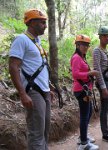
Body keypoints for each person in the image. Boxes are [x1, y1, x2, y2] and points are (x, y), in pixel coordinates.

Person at [9, 9, 51, 150]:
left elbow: (38, 68)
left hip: (43, 91)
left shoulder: (36, 42)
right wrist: (22, 94)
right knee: (36, 134)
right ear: (32, 22)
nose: (45, 25)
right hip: (33, 92)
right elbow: (13, 66)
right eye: (42, 22)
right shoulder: (21, 40)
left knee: (44, 131)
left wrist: (47, 87)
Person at [70, 35, 99, 150]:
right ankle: (83, 144)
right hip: (80, 90)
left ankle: (83, 136)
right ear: (77, 45)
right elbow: (75, 74)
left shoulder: (82, 57)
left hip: (85, 89)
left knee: (88, 112)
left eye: (87, 45)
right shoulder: (76, 57)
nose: (85, 47)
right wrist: (89, 73)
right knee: (84, 115)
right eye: (83, 45)